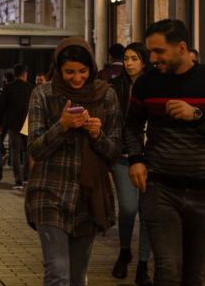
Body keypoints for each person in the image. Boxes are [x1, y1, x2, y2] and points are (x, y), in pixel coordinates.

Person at [26, 37, 122, 286]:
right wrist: (62, 125)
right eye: (69, 72)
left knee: (78, 277)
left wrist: (96, 134)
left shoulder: (106, 95)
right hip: (49, 192)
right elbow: (35, 149)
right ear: (58, 69)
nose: (77, 78)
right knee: (58, 273)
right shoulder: (43, 95)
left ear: (91, 68)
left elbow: (113, 152)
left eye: (83, 71)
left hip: (89, 197)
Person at [126, 19, 205, 285]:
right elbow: (132, 126)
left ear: (182, 47)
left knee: (196, 274)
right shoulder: (146, 84)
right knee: (168, 270)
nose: (153, 58)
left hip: (202, 189)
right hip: (160, 189)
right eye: (150, 52)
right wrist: (136, 160)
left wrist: (196, 114)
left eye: (159, 51)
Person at [109, 42, 153, 285]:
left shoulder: (154, 85)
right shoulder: (115, 87)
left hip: (152, 158)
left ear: (144, 61)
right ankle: (125, 250)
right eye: (126, 58)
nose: (128, 63)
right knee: (128, 208)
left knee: (148, 213)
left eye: (134, 58)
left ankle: (143, 264)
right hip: (123, 157)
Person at [0, 63, 34, 188]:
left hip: (12, 123)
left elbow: (2, 107)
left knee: (15, 151)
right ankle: (26, 176)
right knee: (27, 150)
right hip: (27, 123)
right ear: (25, 74)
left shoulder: (8, 88)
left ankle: (17, 180)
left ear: (15, 74)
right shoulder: (31, 88)